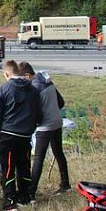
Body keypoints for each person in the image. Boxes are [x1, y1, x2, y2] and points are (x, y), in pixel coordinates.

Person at [0, 60, 42, 211]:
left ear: (7, 74)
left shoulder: (4, 88)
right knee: (24, 167)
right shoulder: (33, 90)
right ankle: (25, 197)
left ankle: (10, 202)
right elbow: (38, 113)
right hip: (25, 135)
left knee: (7, 169)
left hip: (7, 134)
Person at [20, 62, 71, 199]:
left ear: (27, 75)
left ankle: (31, 192)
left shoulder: (34, 88)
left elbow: (34, 111)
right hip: (57, 122)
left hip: (45, 126)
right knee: (59, 153)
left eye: (21, 78)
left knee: (38, 158)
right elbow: (61, 102)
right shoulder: (47, 81)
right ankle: (65, 184)